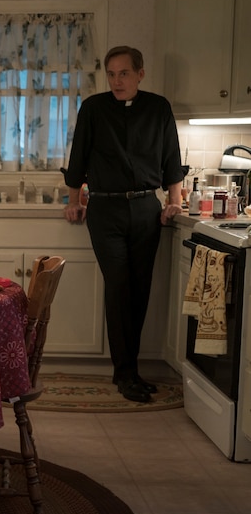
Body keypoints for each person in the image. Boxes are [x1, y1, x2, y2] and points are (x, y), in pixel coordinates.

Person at [63, 46, 184, 403]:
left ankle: (132, 370)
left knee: (140, 289)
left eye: (124, 74)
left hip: (147, 209)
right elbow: (78, 157)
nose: (117, 81)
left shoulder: (158, 108)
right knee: (119, 288)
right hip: (105, 210)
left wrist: (175, 201)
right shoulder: (94, 108)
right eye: (111, 74)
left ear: (140, 74)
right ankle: (124, 373)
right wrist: (74, 201)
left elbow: (171, 158)